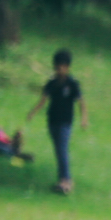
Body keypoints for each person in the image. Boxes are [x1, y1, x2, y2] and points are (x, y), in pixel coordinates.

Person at [27, 49, 86, 194]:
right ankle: (62, 179)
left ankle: (66, 180)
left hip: (65, 122)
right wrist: (33, 112)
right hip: (52, 120)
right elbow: (43, 100)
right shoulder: (51, 83)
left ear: (67, 67)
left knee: (62, 149)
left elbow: (81, 102)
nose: (59, 70)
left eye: (62, 67)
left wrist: (84, 119)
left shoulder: (72, 84)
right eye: (57, 67)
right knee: (58, 150)